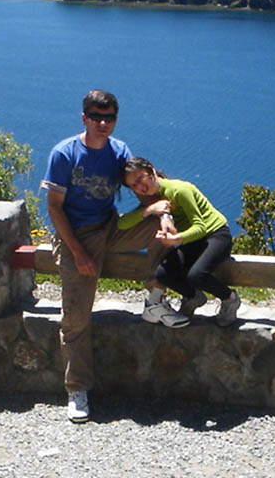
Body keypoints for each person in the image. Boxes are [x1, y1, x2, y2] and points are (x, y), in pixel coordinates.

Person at [40, 90, 188, 424]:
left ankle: (154, 298)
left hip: (111, 226)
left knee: (162, 232)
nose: (103, 123)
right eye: (96, 117)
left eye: (109, 118)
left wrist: (161, 214)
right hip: (77, 236)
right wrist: (78, 252)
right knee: (76, 317)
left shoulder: (119, 150)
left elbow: (143, 184)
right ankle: (77, 389)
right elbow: (54, 208)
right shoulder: (65, 154)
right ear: (84, 118)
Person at [119, 156, 241, 328]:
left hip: (216, 235)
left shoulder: (179, 190)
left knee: (197, 275)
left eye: (140, 178)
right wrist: (148, 211)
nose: (140, 187)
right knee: (162, 274)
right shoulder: (153, 200)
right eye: (133, 185)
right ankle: (193, 296)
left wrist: (177, 239)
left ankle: (230, 299)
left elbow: (201, 226)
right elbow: (122, 224)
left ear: (151, 170)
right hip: (192, 241)